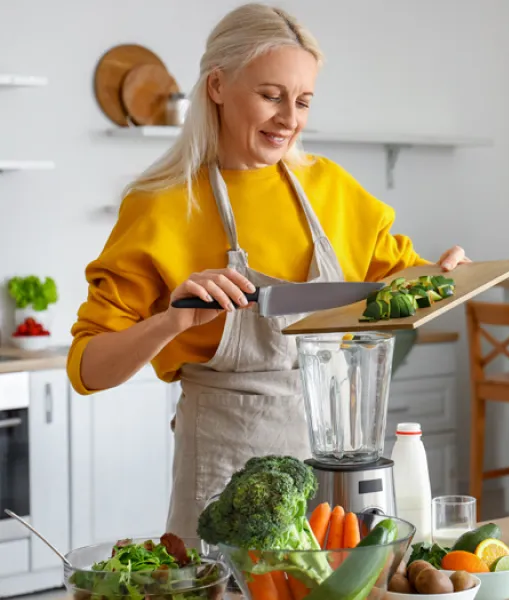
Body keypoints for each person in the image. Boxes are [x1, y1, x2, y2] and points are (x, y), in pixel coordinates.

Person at [66, 2, 469, 540]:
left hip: (330, 466)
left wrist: (445, 275)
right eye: (271, 95)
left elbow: (402, 283)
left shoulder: (331, 188)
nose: (290, 118)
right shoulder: (160, 205)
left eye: (302, 100)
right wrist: (172, 321)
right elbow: (88, 370)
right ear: (216, 86)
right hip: (221, 468)